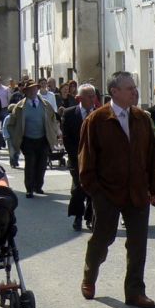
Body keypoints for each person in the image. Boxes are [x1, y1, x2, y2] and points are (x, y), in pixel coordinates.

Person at [78, 72, 155, 308]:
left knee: (138, 243)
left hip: (137, 192)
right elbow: (86, 159)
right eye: (129, 88)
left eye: (135, 88)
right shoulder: (96, 120)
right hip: (107, 193)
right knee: (103, 238)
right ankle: (90, 273)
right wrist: (95, 191)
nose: (134, 92)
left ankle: (135, 292)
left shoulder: (142, 118)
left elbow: (151, 156)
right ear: (114, 91)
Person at [7, 80, 61, 198]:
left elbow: (53, 119)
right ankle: (29, 189)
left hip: (43, 139)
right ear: (26, 92)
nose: (33, 91)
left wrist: (57, 132)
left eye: (34, 89)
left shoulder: (45, 104)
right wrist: (16, 137)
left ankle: (38, 186)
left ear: (37, 90)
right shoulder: (20, 106)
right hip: (27, 140)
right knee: (30, 163)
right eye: (30, 89)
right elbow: (11, 124)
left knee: (42, 164)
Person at [62, 84, 96, 231]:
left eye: (94, 96)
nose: (93, 99)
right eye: (89, 96)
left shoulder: (99, 113)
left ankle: (90, 217)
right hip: (76, 159)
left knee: (93, 190)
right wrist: (75, 156)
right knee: (78, 188)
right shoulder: (70, 114)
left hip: (95, 159)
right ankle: (77, 216)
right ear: (80, 98)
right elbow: (66, 138)